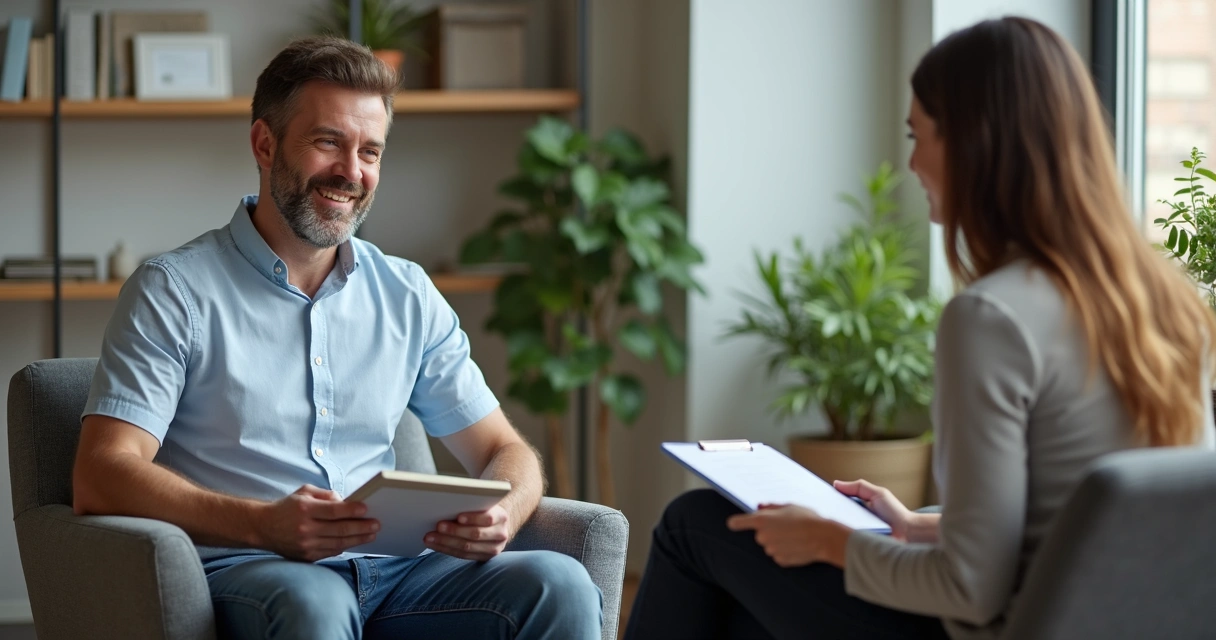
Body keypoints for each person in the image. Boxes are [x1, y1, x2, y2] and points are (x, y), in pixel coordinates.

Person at [623, 16, 1216, 640]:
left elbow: (969, 588)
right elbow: (1082, 526)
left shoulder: (993, 317)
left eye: (918, 135)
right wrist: (915, 526)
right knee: (743, 613)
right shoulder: (1167, 301)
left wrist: (833, 543)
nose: (910, 162)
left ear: (973, 142)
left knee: (695, 524)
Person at [72, 36, 601, 640]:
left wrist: (505, 511)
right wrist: (261, 525)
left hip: (404, 576)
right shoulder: (172, 291)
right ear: (264, 144)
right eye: (329, 142)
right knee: (316, 604)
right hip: (258, 569)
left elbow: (504, 450)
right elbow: (102, 472)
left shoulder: (406, 292)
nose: (352, 172)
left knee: (558, 584)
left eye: (370, 151)